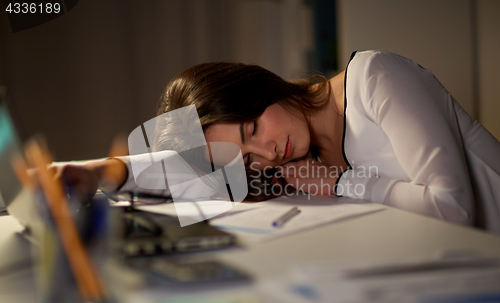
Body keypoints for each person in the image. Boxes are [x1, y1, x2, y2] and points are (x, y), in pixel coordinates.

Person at [52, 50, 500, 233]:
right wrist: (98, 171)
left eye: (251, 130)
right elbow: (188, 177)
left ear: (259, 87)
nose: (267, 153)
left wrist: (343, 184)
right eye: (245, 156)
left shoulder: (376, 77)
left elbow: (454, 208)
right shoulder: (297, 161)